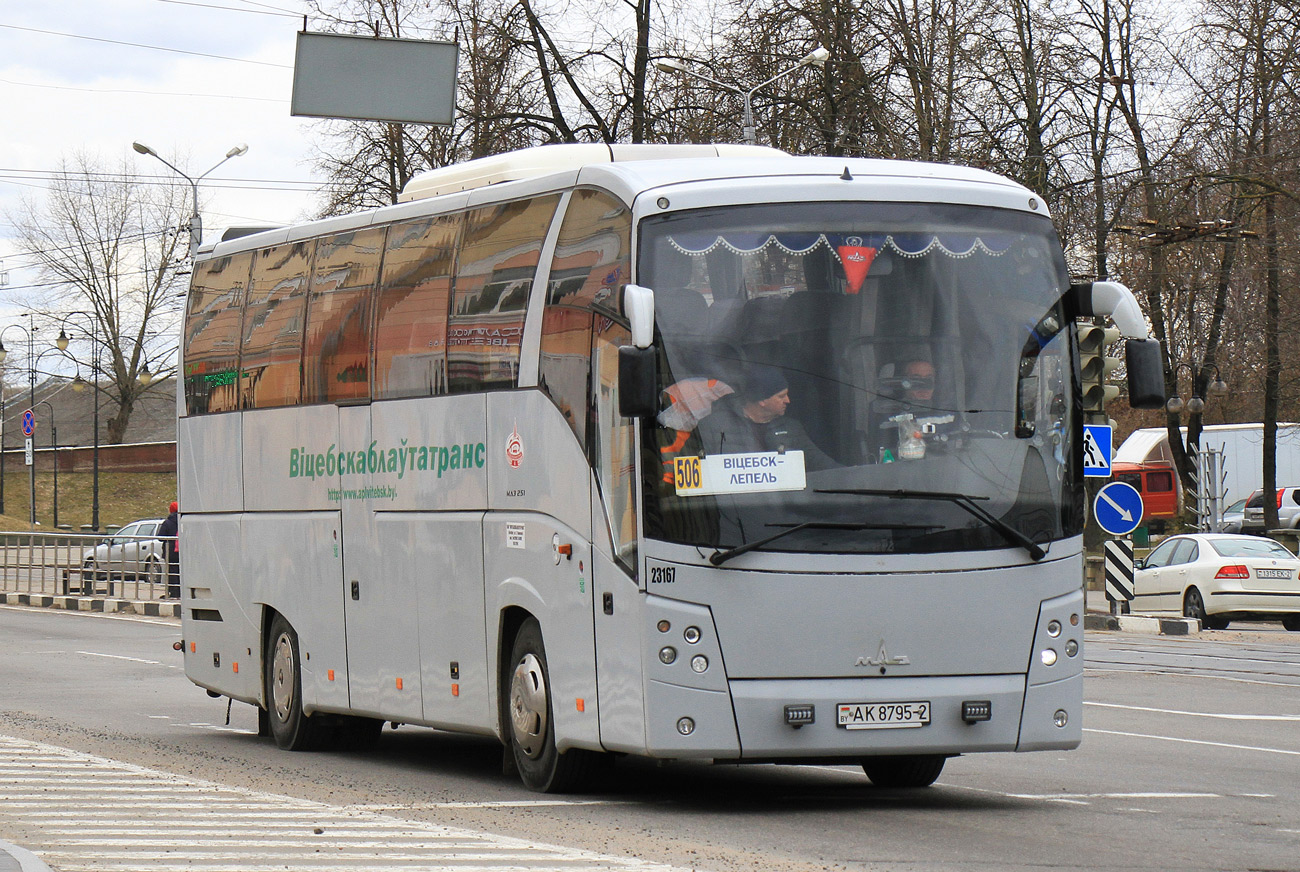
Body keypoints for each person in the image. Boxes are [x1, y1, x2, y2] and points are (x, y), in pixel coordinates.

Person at [700, 365, 835, 471]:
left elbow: (818, 462)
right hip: (730, 504)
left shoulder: (791, 428)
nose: (788, 401)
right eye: (781, 396)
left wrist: (850, 474)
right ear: (762, 400)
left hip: (782, 504)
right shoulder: (716, 426)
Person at [159, 501, 180, 598]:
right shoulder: (183, 521)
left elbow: (160, 537)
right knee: (181, 571)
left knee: (172, 572)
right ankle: (181, 592)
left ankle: (173, 592)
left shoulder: (168, 522)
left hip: (170, 552)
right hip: (182, 551)